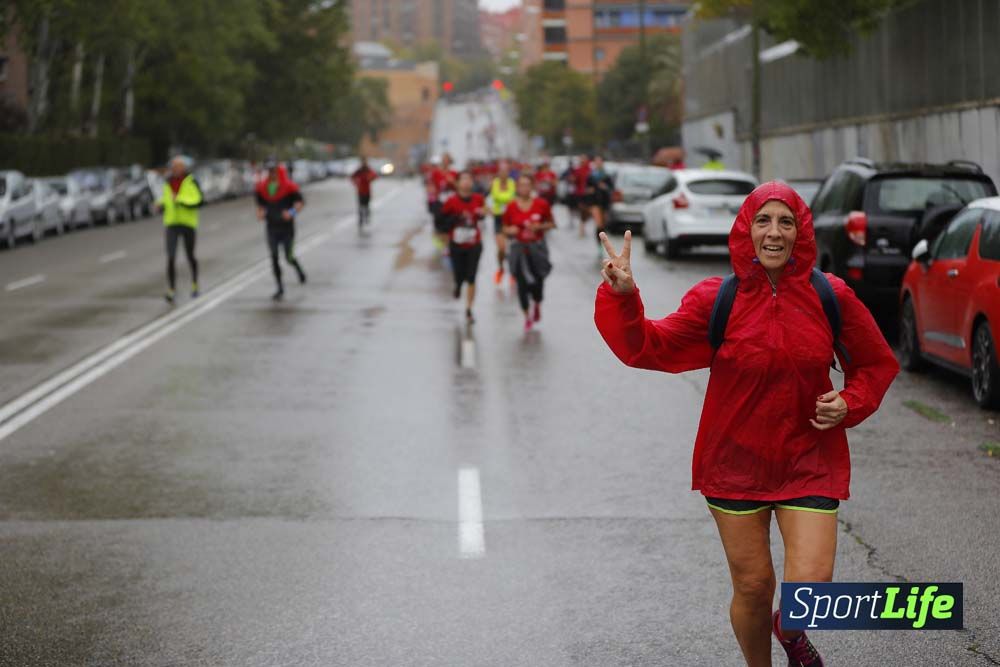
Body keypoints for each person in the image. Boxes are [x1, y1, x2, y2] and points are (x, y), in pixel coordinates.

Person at [594, 182, 899, 667]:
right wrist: (626, 297)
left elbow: (877, 365)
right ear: (746, 230)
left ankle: (790, 631)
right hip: (735, 464)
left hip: (809, 459)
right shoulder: (717, 299)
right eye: (763, 221)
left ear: (800, 232)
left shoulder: (829, 295)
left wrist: (850, 401)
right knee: (755, 587)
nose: (774, 233)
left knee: (812, 586)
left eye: (785, 222)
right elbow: (647, 347)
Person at [503, 174, 555, 332]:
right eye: (521, 185)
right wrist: (510, 230)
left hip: (537, 248)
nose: (524, 188)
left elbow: (552, 223)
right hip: (519, 249)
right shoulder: (511, 206)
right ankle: (527, 316)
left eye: (527, 185)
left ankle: (537, 303)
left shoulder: (541, 204)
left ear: (532, 187)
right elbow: (504, 228)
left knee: (538, 282)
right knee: (521, 284)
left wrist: (539, 227)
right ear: (517, 188)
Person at [255, 160, 306, 301]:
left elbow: (300, 203)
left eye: (274, 171)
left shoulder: (289, 187)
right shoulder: (262, 188)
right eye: (269, 171)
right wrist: (260, 213)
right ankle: (279, 287)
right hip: (271, 227)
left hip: (287, 228)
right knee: (274, 257)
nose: (271, 174)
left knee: (288, 257)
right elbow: (260, 205)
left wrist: (291, 213)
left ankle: (299, 270)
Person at [155, 156, 203, 304]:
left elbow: (198, 200)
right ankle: (171, 289)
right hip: (172, 224)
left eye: (178, 166)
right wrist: (159, 204)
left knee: (190, 255)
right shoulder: (167, 182)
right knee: (170, 257)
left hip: (188, 223)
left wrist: (180, 200)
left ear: (183, 168)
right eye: (173, 166)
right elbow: (165, 198)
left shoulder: (191, 181)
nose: (175, 169)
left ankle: (195, 284)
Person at [440, 171, 486, 323]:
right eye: (463, 179)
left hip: (474, 243)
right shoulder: (451, 201)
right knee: (459, 274)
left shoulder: (479, 199)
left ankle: (469, 309)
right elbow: (441, 222)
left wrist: (482, 213)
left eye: (469, 179)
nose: (466, 182)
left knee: (472, 276)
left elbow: (484, 213)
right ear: (458, 183)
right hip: (456, 244)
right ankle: (458, 285)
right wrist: (453, 221)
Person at [488, 159, 517, 286]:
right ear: (498, 172)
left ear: (509, 172)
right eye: (501, 171)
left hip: (511, 219)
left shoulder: (513, 183)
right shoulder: (494, 183)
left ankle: (513, 273)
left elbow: (518, 198)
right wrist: (489, 209)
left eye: (506, 171)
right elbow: (486, 199)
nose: (503, 173)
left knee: (513, 249)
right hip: (498, 218)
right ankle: (501, 268)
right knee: (501, 248)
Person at [427, 153, 457, 251]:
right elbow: (431, 185)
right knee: (439, 225)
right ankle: (441, 246)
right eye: (443, 160)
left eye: (447, 160)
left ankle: (447, 246)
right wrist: (431, 192)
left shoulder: (454, 173)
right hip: (438, 201)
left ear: (450, 161)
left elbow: (459, 187)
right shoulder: (436, 173)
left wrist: (452, 182)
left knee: (449, 225)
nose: (445, 162)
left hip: (451, 202)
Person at [586, 155, 614, 259]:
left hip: (605, 203)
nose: (598, 163)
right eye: (596, 161)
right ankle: (599, 246)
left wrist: (605, 187)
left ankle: (603, 243)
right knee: (599, 224)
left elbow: (611, 189)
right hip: (594, 203)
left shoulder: (607, 176)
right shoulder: (591, 176)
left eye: (599, 161)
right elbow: (587, 189)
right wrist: (590, 191)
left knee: (603, 224)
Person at [350, 157, 378, 229]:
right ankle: (360, 220)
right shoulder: (359, 171)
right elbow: (352, 177)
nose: (364, 163)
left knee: (367, 206)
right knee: (360, 207)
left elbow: (375, 176)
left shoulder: (368, 169)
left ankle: (367, 217)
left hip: (367, 191)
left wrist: (370, 178)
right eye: (363, 162)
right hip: (360, 191)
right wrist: (356, 183)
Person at [571, 154, 592, 237]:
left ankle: (582, 226)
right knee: (582, 210)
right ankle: (582, 228)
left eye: (584, 160)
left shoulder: (590, 170)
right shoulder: (577, 170)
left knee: (587, 211)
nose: (583, 161)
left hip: (588, 194)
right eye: (581, 160)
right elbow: (573, 180)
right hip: (579, 193)